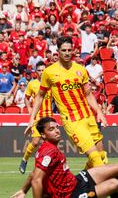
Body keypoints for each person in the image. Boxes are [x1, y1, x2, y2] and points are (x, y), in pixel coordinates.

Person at [25, 36, 108, 169]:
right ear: (58, 51)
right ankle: (111, 187)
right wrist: (31, 119)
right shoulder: (49, 72)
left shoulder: (80, 69)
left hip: (88, 116)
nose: (67, 53)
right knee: (95, 158)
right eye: (64, 50)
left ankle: (81, 184)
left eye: (70, 50)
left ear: (73, 51)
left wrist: (99, 112)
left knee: (102, 155)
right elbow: (40, 96)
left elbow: (88, 94)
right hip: (72, 120)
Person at [11, 117, 118, 198]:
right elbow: (36, 180)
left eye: (56, 127)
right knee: (115, 184)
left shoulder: (48, 148)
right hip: (70, 194)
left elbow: (34, 173)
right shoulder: (48, 151)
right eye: (51, 129)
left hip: (75, 181)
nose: (56, 131)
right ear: (43, 135)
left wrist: (23, 190)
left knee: (117, 168)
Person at [19, 62, 53, 174]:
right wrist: (29, 108)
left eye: (43, 70)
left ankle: (47, 166)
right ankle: (24, 160)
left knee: (50, 143)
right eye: (39, 70)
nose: (42, 72)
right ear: (36, 72)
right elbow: (26, 98)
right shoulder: (32, 84)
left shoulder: (51, 83)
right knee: (35, 142)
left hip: (49, 117)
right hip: (38, 117)